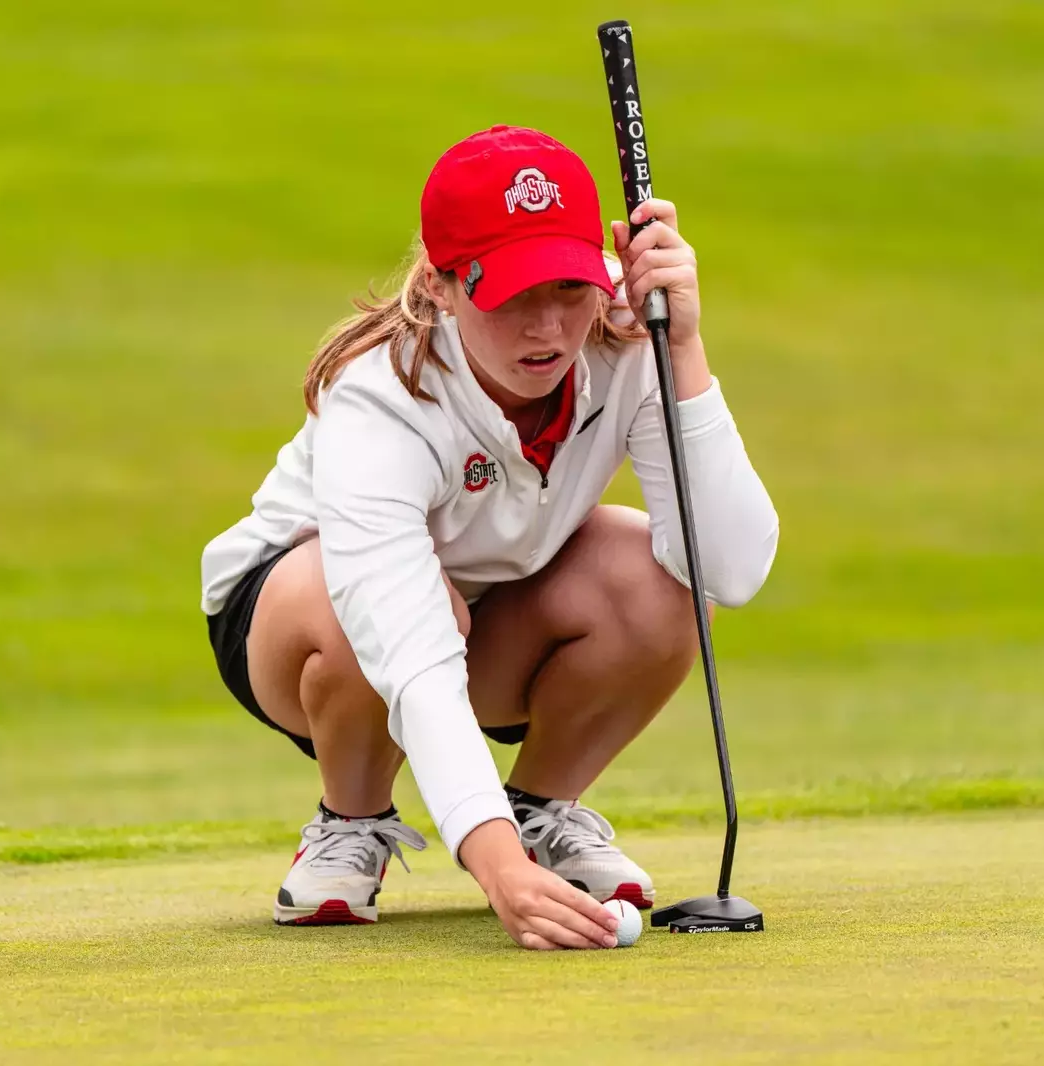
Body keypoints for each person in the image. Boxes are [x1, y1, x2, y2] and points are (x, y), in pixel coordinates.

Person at [201, 125, 778, 951]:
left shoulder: (631, 330)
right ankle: (350, 820)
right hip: (301, 625)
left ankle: (541, 811)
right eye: (510, 295)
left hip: (497, 604)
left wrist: (682, 347)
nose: (548, 328)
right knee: (379, 602)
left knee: (655, 579)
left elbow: (732, 568)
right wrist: (495, 870)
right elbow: (411, 645)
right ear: (440, 284)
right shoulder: (380, 396)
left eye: (570, 288)